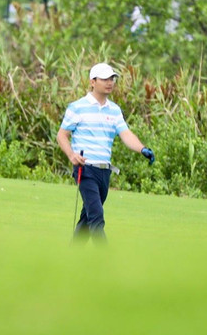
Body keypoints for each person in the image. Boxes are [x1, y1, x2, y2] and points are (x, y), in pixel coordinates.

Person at [56, 62, 154, 240]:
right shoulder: (77, 107)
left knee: (87, 218)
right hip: (85, 169)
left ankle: (73, 253)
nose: (110, 82)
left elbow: (126, 134)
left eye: (112, 79)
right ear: (93, 82)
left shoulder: (114, 110)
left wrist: (142, 149)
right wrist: (71, 155)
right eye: (105, 79)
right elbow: (62, 135)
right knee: (97, 217)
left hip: (104, 171)